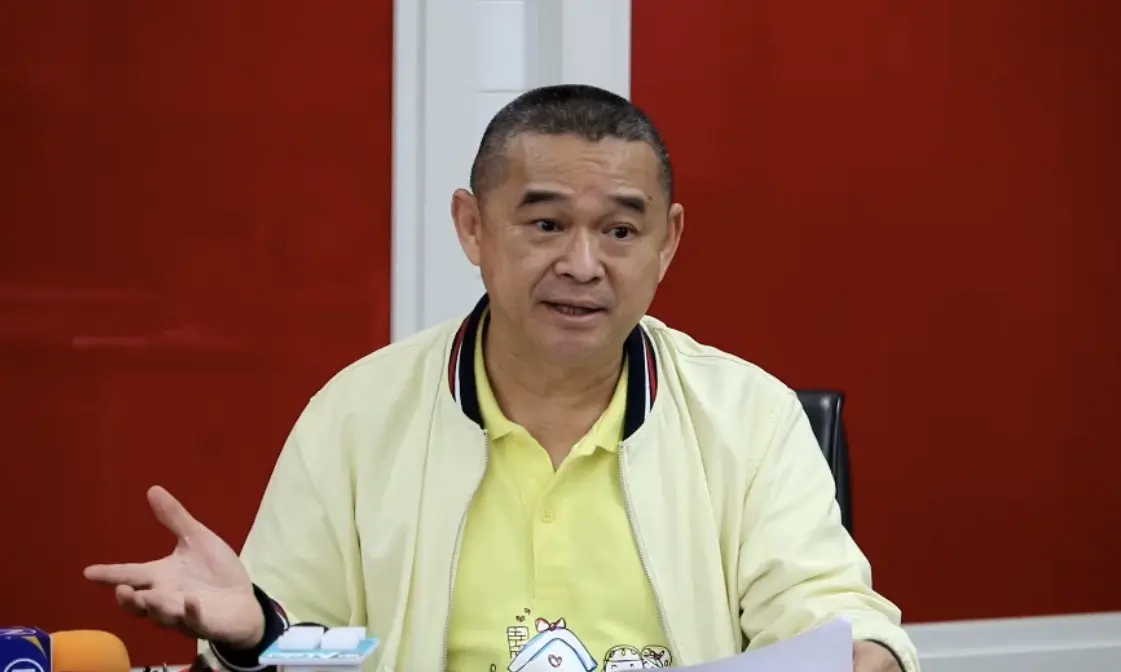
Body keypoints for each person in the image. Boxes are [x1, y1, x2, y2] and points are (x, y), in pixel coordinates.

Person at [84, 84, 918, 672]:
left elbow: (825, 617)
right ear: (472, 227)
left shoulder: (748, 416)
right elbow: (315, 646)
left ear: (666, 242)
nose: (582, 264)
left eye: (619, 231)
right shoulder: (358, 415)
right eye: (546, 223)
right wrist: (255, 634)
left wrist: (863, 652)